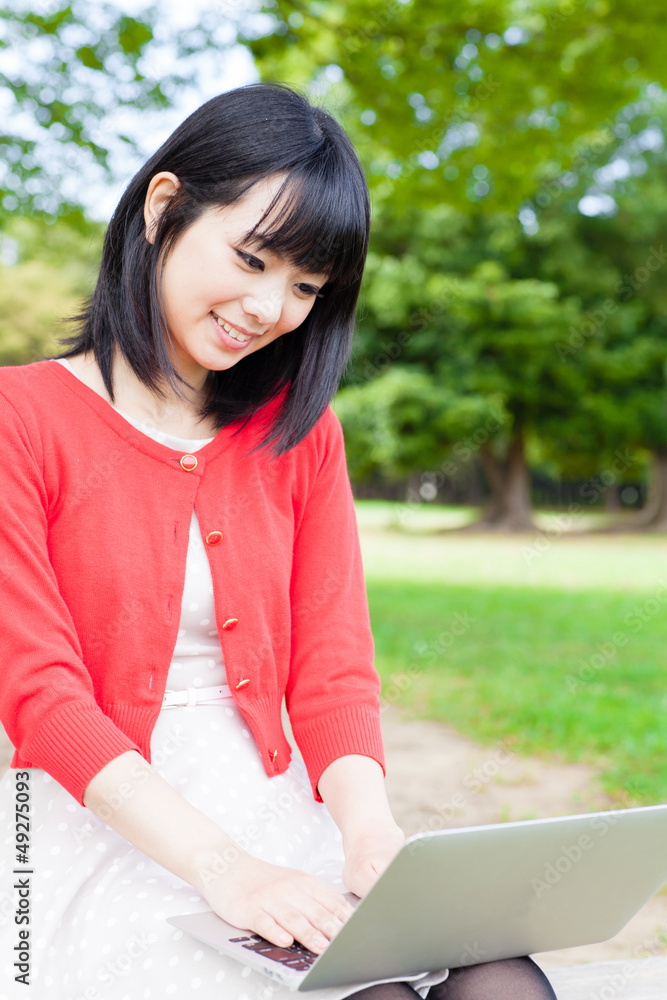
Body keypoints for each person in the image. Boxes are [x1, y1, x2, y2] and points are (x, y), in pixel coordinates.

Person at [0, 82, 558, 999]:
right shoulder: (22, 418)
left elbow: (332, 669)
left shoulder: (300, 432)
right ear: (163, 208)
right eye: (253, 259)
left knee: (497, 976)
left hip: (276, 812)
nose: (271, 308)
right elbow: (39, 697)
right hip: (97, 822)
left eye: (305, 287)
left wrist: (370, 836)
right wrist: (227, 872)